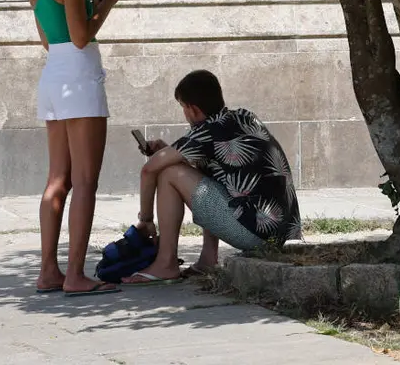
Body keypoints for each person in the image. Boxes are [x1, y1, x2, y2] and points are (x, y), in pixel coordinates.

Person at [29, 0, 132, 297]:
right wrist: (108, 3)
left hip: (53, 75)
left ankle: (49, 271)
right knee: (86, 181)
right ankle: (75, 275)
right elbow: (81, 36)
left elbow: (48, 38)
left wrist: (95, 4)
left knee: (58, 179)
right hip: (78, 77)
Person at [125, 70, 301, 283]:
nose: (184, 113)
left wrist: (146, 220)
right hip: (278, 232)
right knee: (207, 177)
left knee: (169, 173)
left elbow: (149, 169)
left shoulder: (206, 132)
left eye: (183, 107)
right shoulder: (244, 117)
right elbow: (214, 169)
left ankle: (166, 263)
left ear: (193, 109)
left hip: (255, 235)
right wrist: (167, 151)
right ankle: (208, 259)